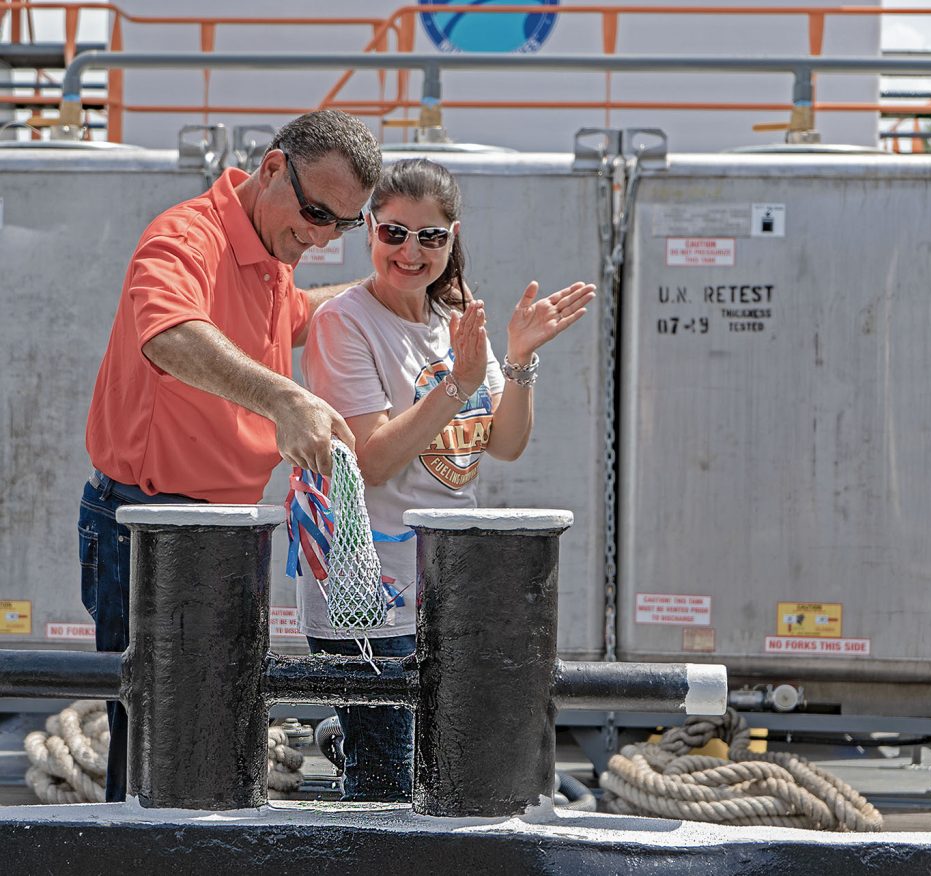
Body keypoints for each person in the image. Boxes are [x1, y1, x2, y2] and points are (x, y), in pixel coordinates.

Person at [79, 109, 382, 802]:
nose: (320, 236)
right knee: (158, 744)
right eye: (314, 212)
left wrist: (392, 291)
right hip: (150, 528)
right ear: (272, 168)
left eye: (342, 225)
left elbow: (296, 314)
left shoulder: (272, 251)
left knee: (214, 728)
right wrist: (285, 400)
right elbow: (170, 334)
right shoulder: (186, 236)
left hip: (227, 530)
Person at [298, 158, 595, 801]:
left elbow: (506, 445)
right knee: (390, 791)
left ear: (452, 237)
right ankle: (354, 745)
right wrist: (458, 383)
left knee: (440, 778)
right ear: (369, 231)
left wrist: (518, 359)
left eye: (430, 236)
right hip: (369, 595)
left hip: (446, 590)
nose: (411, 251)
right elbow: (372, 457)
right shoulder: (343, 323)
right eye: (394, 233)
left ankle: (350, 739)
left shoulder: (453, 318)